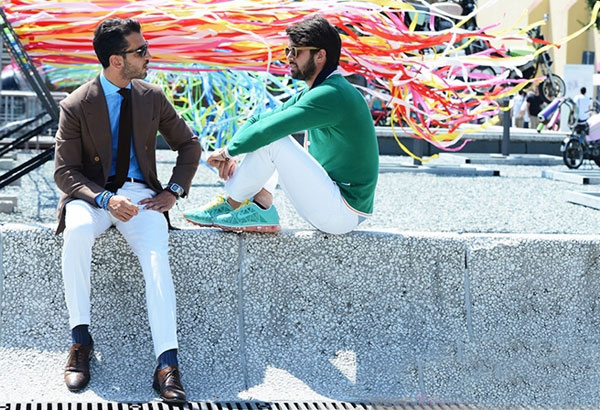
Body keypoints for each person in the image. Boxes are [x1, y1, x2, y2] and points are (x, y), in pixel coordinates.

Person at [54, 18, 201, 402]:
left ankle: (167, 363)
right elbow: (64, 171)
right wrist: (104, 199)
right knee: (76, 232)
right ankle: (80, 342)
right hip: (93, 196)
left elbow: (189, 145)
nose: (149, 56)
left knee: (156, 257)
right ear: (116, 60)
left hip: (142, 196)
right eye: (141, 51)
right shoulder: (76, 104)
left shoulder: (152, 96)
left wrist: (173, 190)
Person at [184, 15, 378, 235]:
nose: (289, 57)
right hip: (332, 203)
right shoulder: (321, 90)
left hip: (342, 212)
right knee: (269, 139)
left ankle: (231, 204)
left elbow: (268, 130)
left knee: (274, 140)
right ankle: (258, 206)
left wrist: (228, 153)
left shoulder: (331, 94)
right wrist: (231, 151)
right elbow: (260, 120)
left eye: (295, 51)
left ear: (320, 55)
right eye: (288, 51)